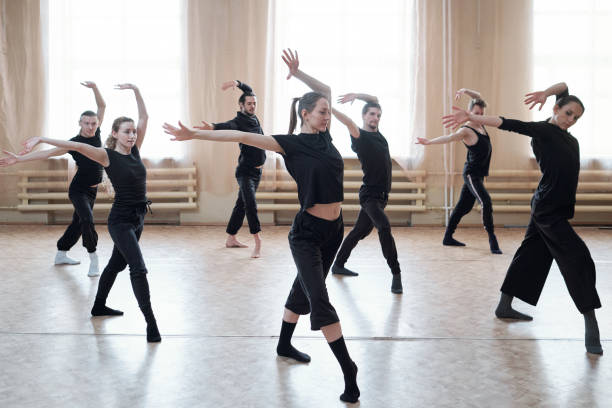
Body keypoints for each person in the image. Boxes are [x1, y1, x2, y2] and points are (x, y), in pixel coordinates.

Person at [163, 49, 360, 403]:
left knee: (304, 288)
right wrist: (194, 133)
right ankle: (349, 370)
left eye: (327, 112)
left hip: (335, 231)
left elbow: (326, 89)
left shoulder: (326, 139)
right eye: (322, 112)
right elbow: (239, 137)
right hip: (306, 233)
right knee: (319, 297)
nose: (327, 116)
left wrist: (299, 75)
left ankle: (284, 344)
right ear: (305, 114)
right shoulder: (290, 145)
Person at [442, 82, 603, 355]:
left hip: (554, 207)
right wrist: (473, 117)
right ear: (556, 110)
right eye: (568, 114)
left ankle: (505, 305)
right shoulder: (545, 131)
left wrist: (547, 92)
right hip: (547, 210)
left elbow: (564, 86)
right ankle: (590, 321)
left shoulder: (568, 137)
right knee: (577, 257)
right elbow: (507, 123)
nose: (571, 120)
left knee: (530, 254)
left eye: (576, 117)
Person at [19, 84, 161, 343]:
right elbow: (70, 145)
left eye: (133, 132)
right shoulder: (105, 155)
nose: (132, 135)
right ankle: (151, 324)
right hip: (120, 221)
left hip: (138, 218)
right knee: (138, 268)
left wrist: (137, 90)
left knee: (117, 264)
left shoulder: (136, 150)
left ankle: (98, 306)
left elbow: (145, 118)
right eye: (126, 132)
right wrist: (41, 138)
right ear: (115, 134)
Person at [0, 81, 106, 276]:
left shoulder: (97, 133)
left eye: (93, 123)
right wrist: (18, 159)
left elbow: (102, 106)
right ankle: (93, 257)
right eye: (86, 123)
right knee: (87, 220)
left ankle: (61, 253)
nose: (90, 126)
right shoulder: (73, 143)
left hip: (93, 190)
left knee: (78, 223)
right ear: (80, 123)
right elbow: (47, 154)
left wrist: (94, 88)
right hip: (79, 190)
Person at [330, 93, 403, 294]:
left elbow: (375, 98)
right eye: (371, 114)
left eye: (378, 115)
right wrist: (329, 106)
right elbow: (348, 122)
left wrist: (357, 95)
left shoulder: (379, 135)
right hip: (370, 196)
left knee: (359, 232)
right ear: (364, 116)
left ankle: (338, 264)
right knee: (384, 226)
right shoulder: (361, 138)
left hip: (382, 197)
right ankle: (396, 274)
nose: (375, 118)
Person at [417, 88, 501, 254]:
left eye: (481, 113)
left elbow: (478, 96)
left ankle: (448, 237)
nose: (479, 115)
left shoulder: (481, 123)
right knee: (486, 201)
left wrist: (464, 91)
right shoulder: (466, 130)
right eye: (476, 112)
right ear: (469, 112)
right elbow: (448, 138)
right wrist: (429, 142)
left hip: (478, 175)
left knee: (463, 207)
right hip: (471, 174)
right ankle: (492, 238)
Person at [195, 80, 266, 258]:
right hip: (245, 172)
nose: (252, 106)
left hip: (257, 172)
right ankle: (258, 241)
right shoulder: (240, 121)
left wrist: (236, 83)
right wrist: (211, 127)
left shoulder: (253, 116)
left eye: (254, 103)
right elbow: (227, 126)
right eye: (249, 104)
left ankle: (231, 238)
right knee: (250, 204)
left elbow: (249, 90)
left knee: (241, 204)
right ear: (241, 105)